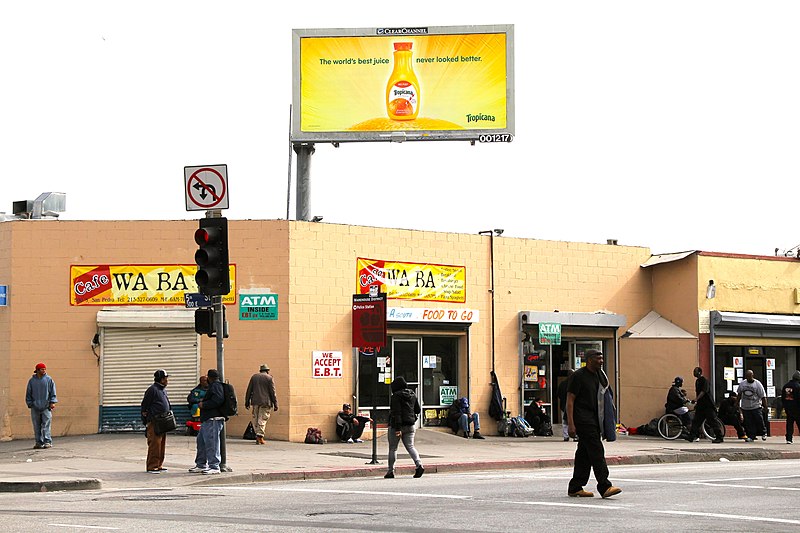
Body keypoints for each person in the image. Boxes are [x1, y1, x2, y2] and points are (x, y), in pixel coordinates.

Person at [565, 349, 622, 499]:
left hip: (595, 419)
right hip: (583, 420)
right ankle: (605, 486)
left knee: (584, 454)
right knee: (597, 451)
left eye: (602, 358)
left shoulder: (599, 376)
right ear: (589, 360)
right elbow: (570, 400)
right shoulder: (578, 376)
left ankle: (575, 487)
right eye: (598, 359)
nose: (601, 361)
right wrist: (570, 424)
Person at [384, 376, 424, 479]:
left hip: (396, 426)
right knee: (410, 446)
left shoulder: (395, 396)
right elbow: (418, 410)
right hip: (410, 425)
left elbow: (396, 413)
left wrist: (397, 429)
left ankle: (390, 471)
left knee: (393, 448)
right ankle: (419, 464)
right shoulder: (412, 394)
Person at [190, 369, 225, 475]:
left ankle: (214, 466)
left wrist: (204, 405)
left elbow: (218, 400)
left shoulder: (216, 386)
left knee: (212, 443)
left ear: (210, 378)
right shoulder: (213, 386)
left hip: (213, 419)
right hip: (207, 420)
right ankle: (201, 464)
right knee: (201, 441)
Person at [140, 369, 171, 473]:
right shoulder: (152, 390)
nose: (167, 380)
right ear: (162, 379)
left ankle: (159, 465)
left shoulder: (162, 390)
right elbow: (144, 406)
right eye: (166, 378)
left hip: (163, 421)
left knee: (161, 444)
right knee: (155, 444)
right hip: (154, 421)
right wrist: (146, 420)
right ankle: (152, 466)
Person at [685, 366, 724, 443]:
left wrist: (696, 399)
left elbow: (703, 391)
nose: (693, 373)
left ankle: (719, 437)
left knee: (712, 421)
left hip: (708, 405)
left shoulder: (704, 380)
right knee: (696, 421)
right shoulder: (697, 381)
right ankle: (691, 436)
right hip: (701, 405)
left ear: (699, 372)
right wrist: (697, 403)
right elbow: (698, 392)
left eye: (695, 371)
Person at [25, 362, 58, 449]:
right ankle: (38, 442)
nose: (44, 371)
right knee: (36, 425)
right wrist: (30, 403)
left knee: (46, 425)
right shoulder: (32, 381)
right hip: (35, 407)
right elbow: (28, 393)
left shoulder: (48, 380)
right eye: (42, 369)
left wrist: (52, 402)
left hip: (46, 407)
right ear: (37, 370)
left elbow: (52, 392)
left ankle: (47, 441)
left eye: (44, 369)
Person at [244, 363, 279, 445]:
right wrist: (275, 403)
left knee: (256, 418)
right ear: (267, 371)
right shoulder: (269, 378)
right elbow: (272, 392)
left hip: (255, 401)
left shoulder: (254, 377)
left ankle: (257, 435)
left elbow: (249, 390)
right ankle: (260, 436)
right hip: (265, 402)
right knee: (263, 418)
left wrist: (247, 401)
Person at [738, 369, 768, 442]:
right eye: (747, 376)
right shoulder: (742, 384)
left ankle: (763, 432)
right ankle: (751, 436)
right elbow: (739, 394)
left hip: (756, 406)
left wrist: (765, 407)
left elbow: (763, 396)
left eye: (749, 376)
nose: (748, 378)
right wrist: (737, 404)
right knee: (749, 422)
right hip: (745, 406)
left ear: (752, 375)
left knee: (759, 420)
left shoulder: (757, 384)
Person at [781, 370, 800, 444]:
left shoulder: (786, 386)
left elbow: (783, 397)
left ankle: (789, 438)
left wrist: (785, 406)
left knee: (789, 423)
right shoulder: (798, 386)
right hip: (797, 408)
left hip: (788, 408)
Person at [558, 369, 575, 441]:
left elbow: (558, 394)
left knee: (564, 420)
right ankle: (575, 435)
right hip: (574, 405)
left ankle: (566, 436)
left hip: (563, 404)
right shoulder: (575, 383)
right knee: (574, 419)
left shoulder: (562, 384)